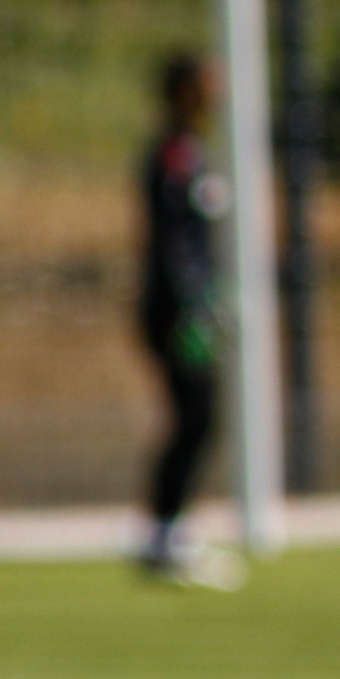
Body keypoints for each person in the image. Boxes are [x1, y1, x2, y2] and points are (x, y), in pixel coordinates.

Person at [133, 49, 242, 587]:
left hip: (189, 308)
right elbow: (175, 243)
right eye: (207, 84)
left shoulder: (193, 151)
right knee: (196, 415)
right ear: (183, 91)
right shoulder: (174, 154)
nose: (217, 93)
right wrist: (199, 303)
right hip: (178, 313)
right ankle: (165, 537)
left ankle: (167, 533)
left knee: (197, 416)